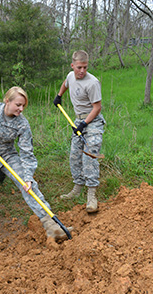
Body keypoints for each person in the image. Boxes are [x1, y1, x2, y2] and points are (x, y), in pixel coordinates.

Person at [0, 86, 72, 240]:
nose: (21, 109)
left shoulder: (22, 124)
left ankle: (50, 224)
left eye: (23, 106)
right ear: (7, 101)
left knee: (29, 186)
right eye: (18, 105)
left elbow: (27, 153)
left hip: (7, 156)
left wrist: (27, 177)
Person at [53, 50, 105, 213]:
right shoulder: (70, 76)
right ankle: (77, 187)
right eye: (79, 67)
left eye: (85, 67)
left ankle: (91, 194)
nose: (82, 71)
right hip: (78, 120)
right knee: (75, 155)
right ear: (72, 65)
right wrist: (59, 95)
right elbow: (66, 83)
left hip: (92, 122)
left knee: (89, 155)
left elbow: (97, 108)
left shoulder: (92, 83)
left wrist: (83, 124)